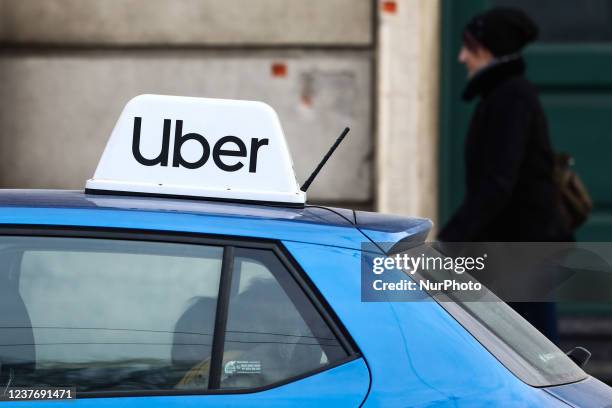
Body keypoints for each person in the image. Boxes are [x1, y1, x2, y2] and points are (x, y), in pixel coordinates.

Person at [438, 7, 569, 342]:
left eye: (470, 48)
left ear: (489, 50)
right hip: (514, 252)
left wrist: (448, 241)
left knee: (534, 353)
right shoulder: (501, 95)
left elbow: (497, 183)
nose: (461, 57)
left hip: (523, 254)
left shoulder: (511, 97)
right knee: (524, 351)